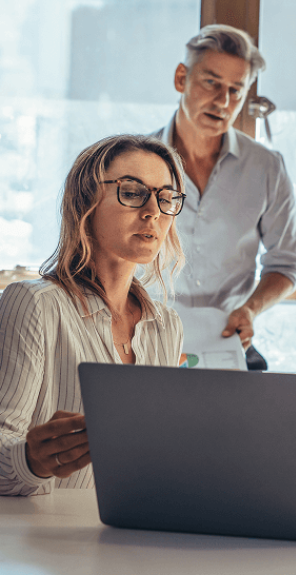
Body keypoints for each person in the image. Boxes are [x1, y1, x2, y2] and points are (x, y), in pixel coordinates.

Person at [0, 134, 186, 496]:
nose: (152, 211)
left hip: (128, 538)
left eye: (165, 198)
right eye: (132, 192)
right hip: (41, 545)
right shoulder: (33, 303)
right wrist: (31, 459)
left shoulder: (166, 326)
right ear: (85, 200)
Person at [152, 24, 296, 371]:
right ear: (181, 78)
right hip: (148, 345)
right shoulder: (136, 164)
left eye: (236, 90)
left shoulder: (267, 167)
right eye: (211, 83)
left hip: (229, 347)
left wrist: (250, 309)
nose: (223, 101)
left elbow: (286, 264)